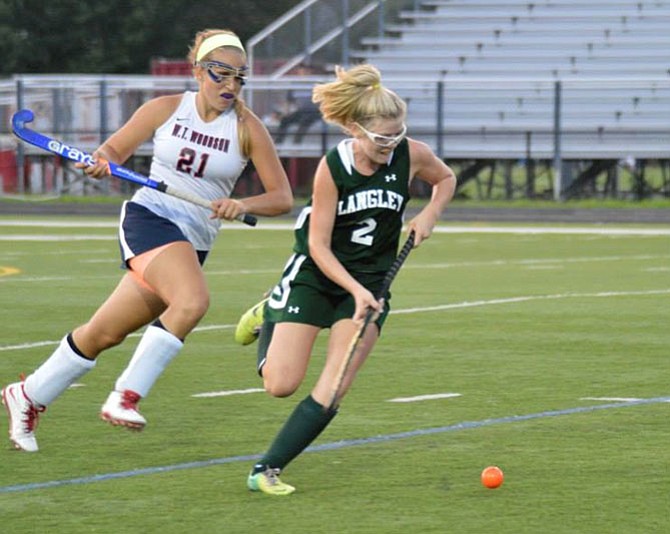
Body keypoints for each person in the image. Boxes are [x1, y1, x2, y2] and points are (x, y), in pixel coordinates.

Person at [1, 29, 293, 453]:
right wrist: (102, 163)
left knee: (103, 333)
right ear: (198, 71)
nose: (229, 85)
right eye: (220, 74)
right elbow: (112, 152)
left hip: (194, 238)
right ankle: (126, 396)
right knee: (192, 302)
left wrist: (240, 203)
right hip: (150, 218)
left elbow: (281, 197)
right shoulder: (165, 109)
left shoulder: (248, 129)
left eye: (238, 77)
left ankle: (27, 395)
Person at [235, 64, 457, 495]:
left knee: (335, 385)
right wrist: (355, 290)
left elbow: (445, 178)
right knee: (279, 385)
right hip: (317, 275)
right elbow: (318, 245)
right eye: (381, 138)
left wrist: (429, 212)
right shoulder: (332, 168)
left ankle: (267, 468)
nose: (389, 146)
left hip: (372, 284)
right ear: (356, 129)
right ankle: (269, 313)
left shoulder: (410, 153)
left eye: (397, 135)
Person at [274, 64, 322, 144]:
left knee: (305, 121)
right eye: (302, 71)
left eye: (306, 71)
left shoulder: (316, 84)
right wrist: (284, 113)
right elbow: (288, 101)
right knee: (285, 120)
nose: (304, 73)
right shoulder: (295, 84)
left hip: (315, 111)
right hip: (301, 111)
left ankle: (297, 142)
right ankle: (278, 143)